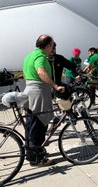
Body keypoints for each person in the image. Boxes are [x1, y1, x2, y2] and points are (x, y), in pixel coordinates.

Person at [23, 35, 65, 166]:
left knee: (31, 125)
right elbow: (41, 71)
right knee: (39, 125)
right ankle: (37, 160)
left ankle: (30, 154)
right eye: (52, 45)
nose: (53, 47)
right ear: (47, 45)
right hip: (38, 92)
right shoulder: (40, 57)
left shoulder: (29, 56)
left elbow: (25, 74)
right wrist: (55, 86)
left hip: (29, 90)